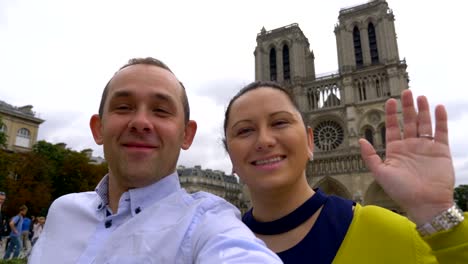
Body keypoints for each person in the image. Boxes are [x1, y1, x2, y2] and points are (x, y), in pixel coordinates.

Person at [29, 58, 281, 263]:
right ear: (98, 128)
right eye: (123, 107)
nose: (140, 122)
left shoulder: (208, 223)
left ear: (187, 134)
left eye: (161, 110)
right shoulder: (63, 211)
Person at [222, 81, 468, 263]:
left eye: (280, 122)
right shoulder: (213, 244)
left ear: (310, 141)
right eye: (244, 130)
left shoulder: (384, 230)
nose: (264, 140)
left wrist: (441, 216)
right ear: (230, 156)